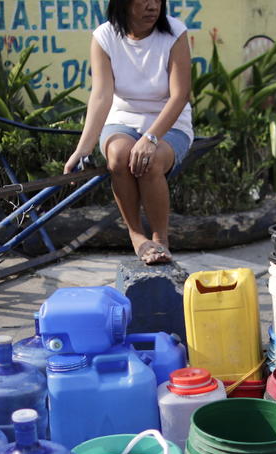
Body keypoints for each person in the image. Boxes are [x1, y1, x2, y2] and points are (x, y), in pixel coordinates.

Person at [64, 0, 193, 265]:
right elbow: (101, 96)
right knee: (118, 156)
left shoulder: (175, 33)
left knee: (151, 160)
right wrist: (83, 148)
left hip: (170, 124)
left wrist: (151, 138)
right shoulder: (105, 36)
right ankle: (136, 236)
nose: (152, 6)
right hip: (122, 119)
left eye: (157, 0)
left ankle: (160, 240)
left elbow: (180, 96)